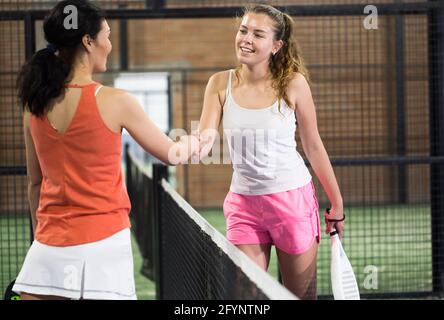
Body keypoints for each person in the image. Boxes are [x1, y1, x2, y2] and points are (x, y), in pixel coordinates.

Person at [13, 0, 198, 300]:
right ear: (88, 41)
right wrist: (195, 140)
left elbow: (35, 184)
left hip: (46, 249)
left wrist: (44, 237)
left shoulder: (33, 107)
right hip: (104, 247)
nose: (109, 44)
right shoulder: (116, 100)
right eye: (107, 35)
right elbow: (172, 153)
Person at [197, 4, 345, 299]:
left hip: (292, 201)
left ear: (276, 45)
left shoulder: (294, 83)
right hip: (243, 205)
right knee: (244, 296)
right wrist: (176, 147)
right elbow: (203, 138)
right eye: (243, 30)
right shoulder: (219, 83)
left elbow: (313, 146)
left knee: (300, 296)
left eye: (257, 34)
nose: (246, 39)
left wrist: (337, 203)